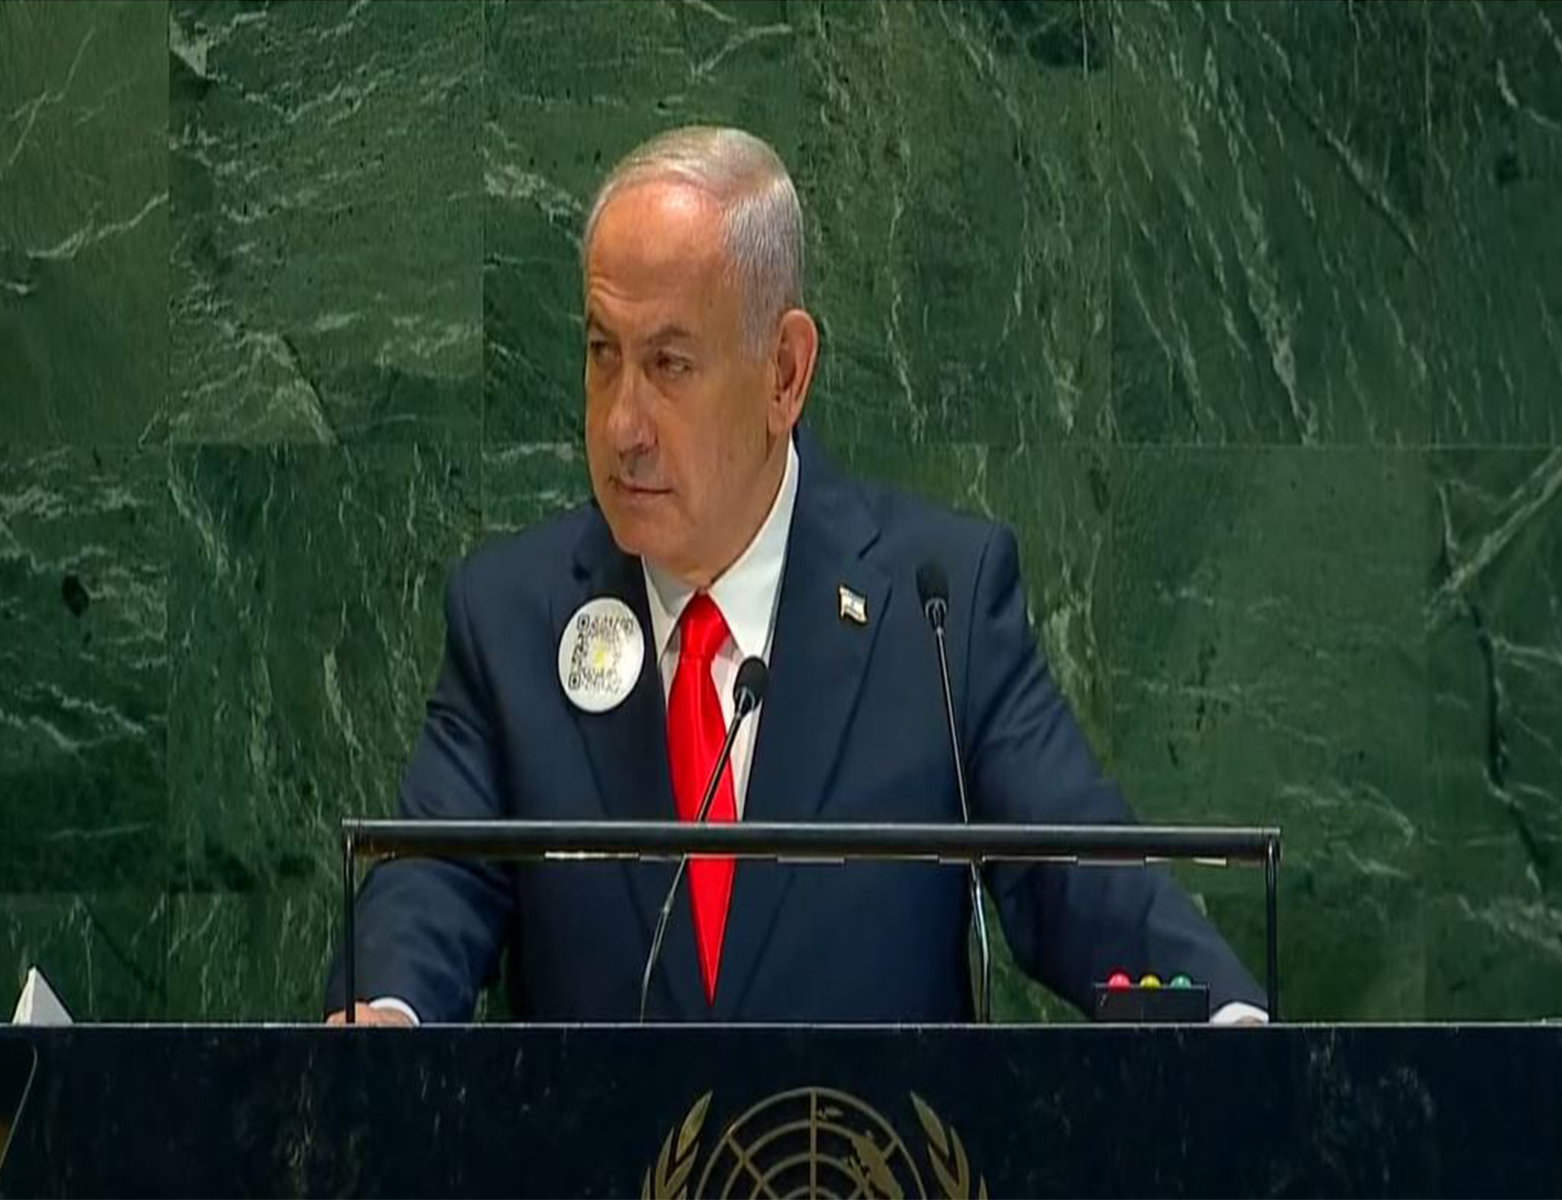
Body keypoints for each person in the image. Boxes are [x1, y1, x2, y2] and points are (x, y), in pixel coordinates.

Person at [325, 126, 1265, 1026]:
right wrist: (389, 1012)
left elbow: (1087, 878)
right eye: (603, 355)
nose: (621, 425)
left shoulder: (936, 609)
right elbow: (430, 881)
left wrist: (1223, 1017)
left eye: (669, 364)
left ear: (783, 372)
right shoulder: (514, 618)